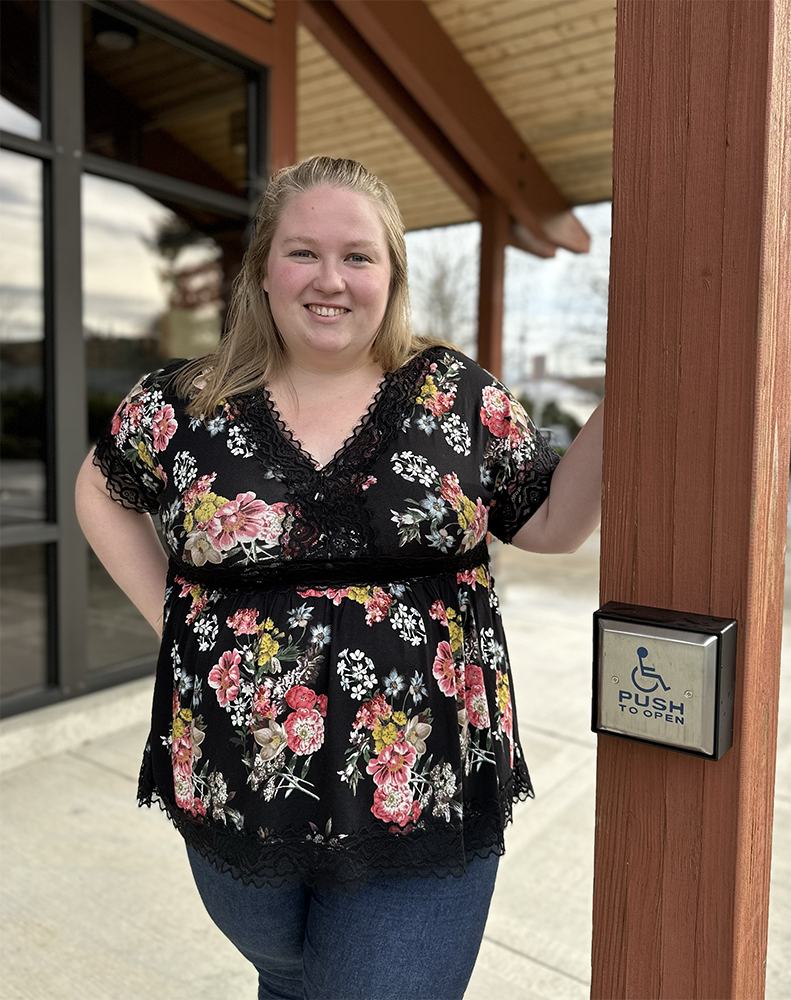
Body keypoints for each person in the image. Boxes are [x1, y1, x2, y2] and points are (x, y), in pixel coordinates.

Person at [75, 156, 603, 1000]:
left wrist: (628, 389)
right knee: (286, 977)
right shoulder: (189, 401)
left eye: (358, 256)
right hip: (235, 778)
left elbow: (551, 523)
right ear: (262, 271)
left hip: (420, 785)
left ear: (391, 275)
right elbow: (102, 489)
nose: (331, 280)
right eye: (303, 253)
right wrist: (172, 623)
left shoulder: (456, 397)